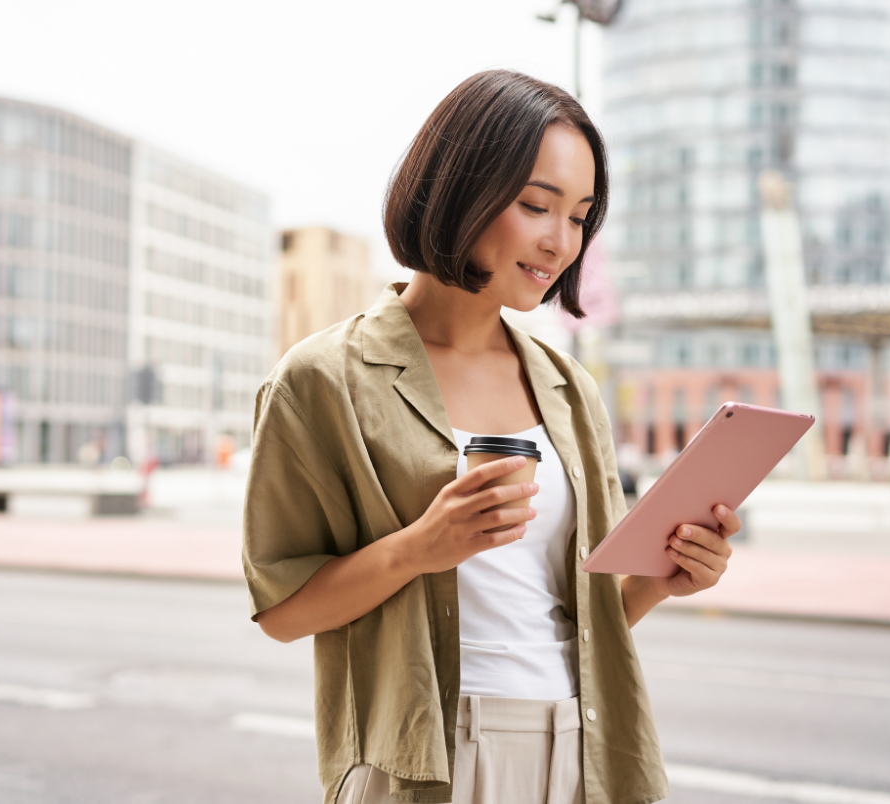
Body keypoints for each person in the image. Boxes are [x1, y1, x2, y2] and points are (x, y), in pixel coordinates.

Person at [243, 70, 739, 804]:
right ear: (460, 192)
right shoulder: (322, 380)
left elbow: (578, 622)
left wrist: (659, 584)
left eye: (579, 216)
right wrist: (421, 547)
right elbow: (282, 612)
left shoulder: (571, 391)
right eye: (537, 205)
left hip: (580, 749)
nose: (559, 241)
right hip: (427, 760)